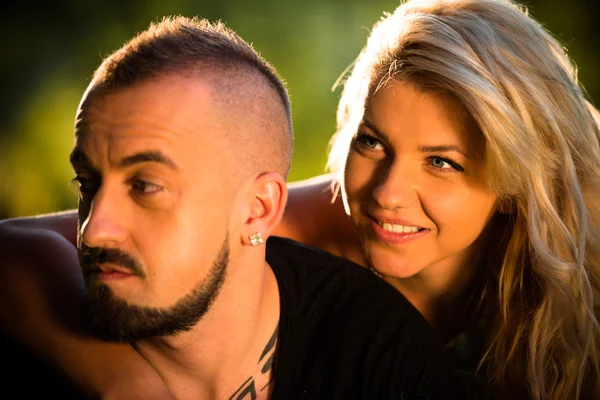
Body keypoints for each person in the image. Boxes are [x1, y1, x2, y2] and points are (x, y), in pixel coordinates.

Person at [4, 0, 600, 398]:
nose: (389, 193)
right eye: (373, 142)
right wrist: (126, 383)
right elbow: (15, 248)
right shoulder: (283, 226)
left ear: (517, 179)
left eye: (442, 162)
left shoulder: (578, 275)